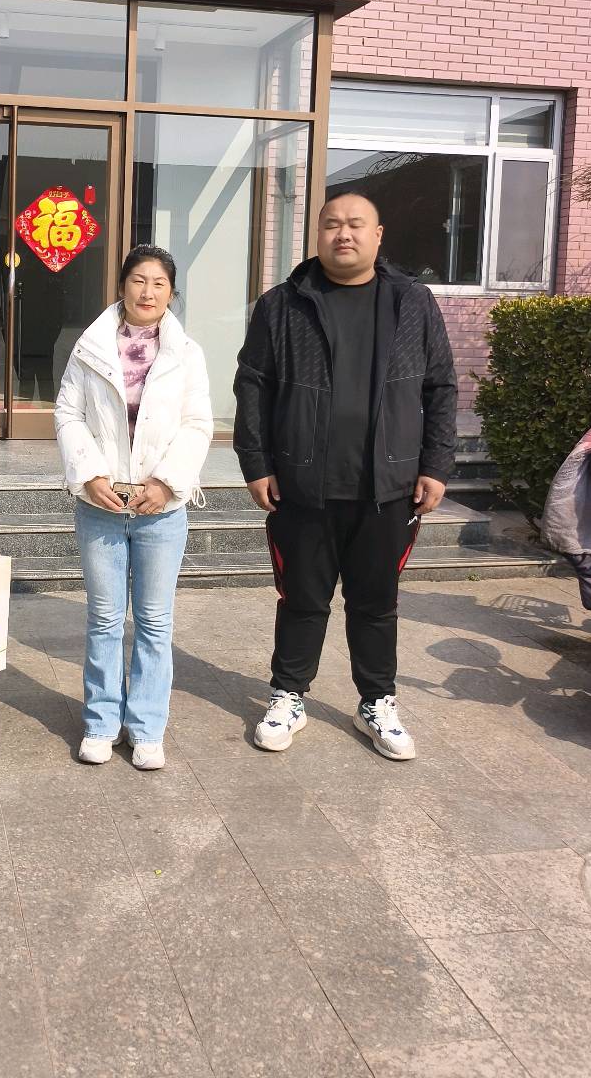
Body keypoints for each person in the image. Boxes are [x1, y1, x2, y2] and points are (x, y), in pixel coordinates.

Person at [233, 193, 457, 761]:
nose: (343, 234)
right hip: (302, 485)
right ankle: (288, 695)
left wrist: (435, 464)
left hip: (389, 487)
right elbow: (252, 385)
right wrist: (256, 463)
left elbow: (440, 386)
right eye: (332, 224)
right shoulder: (282, 304)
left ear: (378, 235)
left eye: (356, 225)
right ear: (318, 234)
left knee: (376, 603)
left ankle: (376, 702)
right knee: (301, 599)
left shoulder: (411, 301)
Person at [55, 245, 213, 771]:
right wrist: (90, 475)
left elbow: (197, 424)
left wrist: (167, 484)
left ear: (171, 293)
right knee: (104, 619)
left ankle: (146, 727)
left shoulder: (186, 353)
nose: (148, 292)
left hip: (160, 510)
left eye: (159, 283)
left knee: (153, 621)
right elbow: (68, 413)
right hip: (101, 504)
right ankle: (101, 723)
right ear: (122, 286)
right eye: (139, 280)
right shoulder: (90, 346)